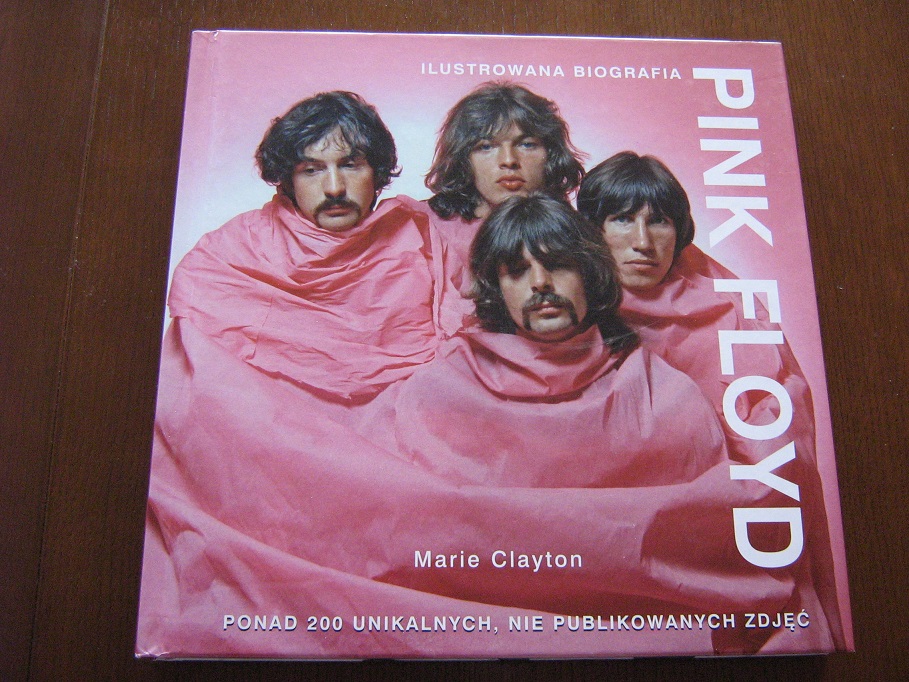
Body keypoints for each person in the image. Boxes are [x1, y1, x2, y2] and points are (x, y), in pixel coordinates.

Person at [577, 151, 845, 650]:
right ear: (592, 229)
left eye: (660, 221)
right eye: (622, 219)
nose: (643, 241)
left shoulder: (726, 306)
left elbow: (778, 423)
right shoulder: (563, 301)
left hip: (715, 513)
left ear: (680, 232)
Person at [165, 91, 439, 402]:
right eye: (311, 170)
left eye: (350, 165)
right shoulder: (231, 254)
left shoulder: (425, 239)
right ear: (288, 181)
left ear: (376, 173)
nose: (334, 188)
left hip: (403, 413)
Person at [400, 82, 586, 336]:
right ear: (464, 159)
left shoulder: (576, 231)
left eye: (527, 144)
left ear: (550, 154)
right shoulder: (419, 229)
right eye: (486, 147)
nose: (508, 161)